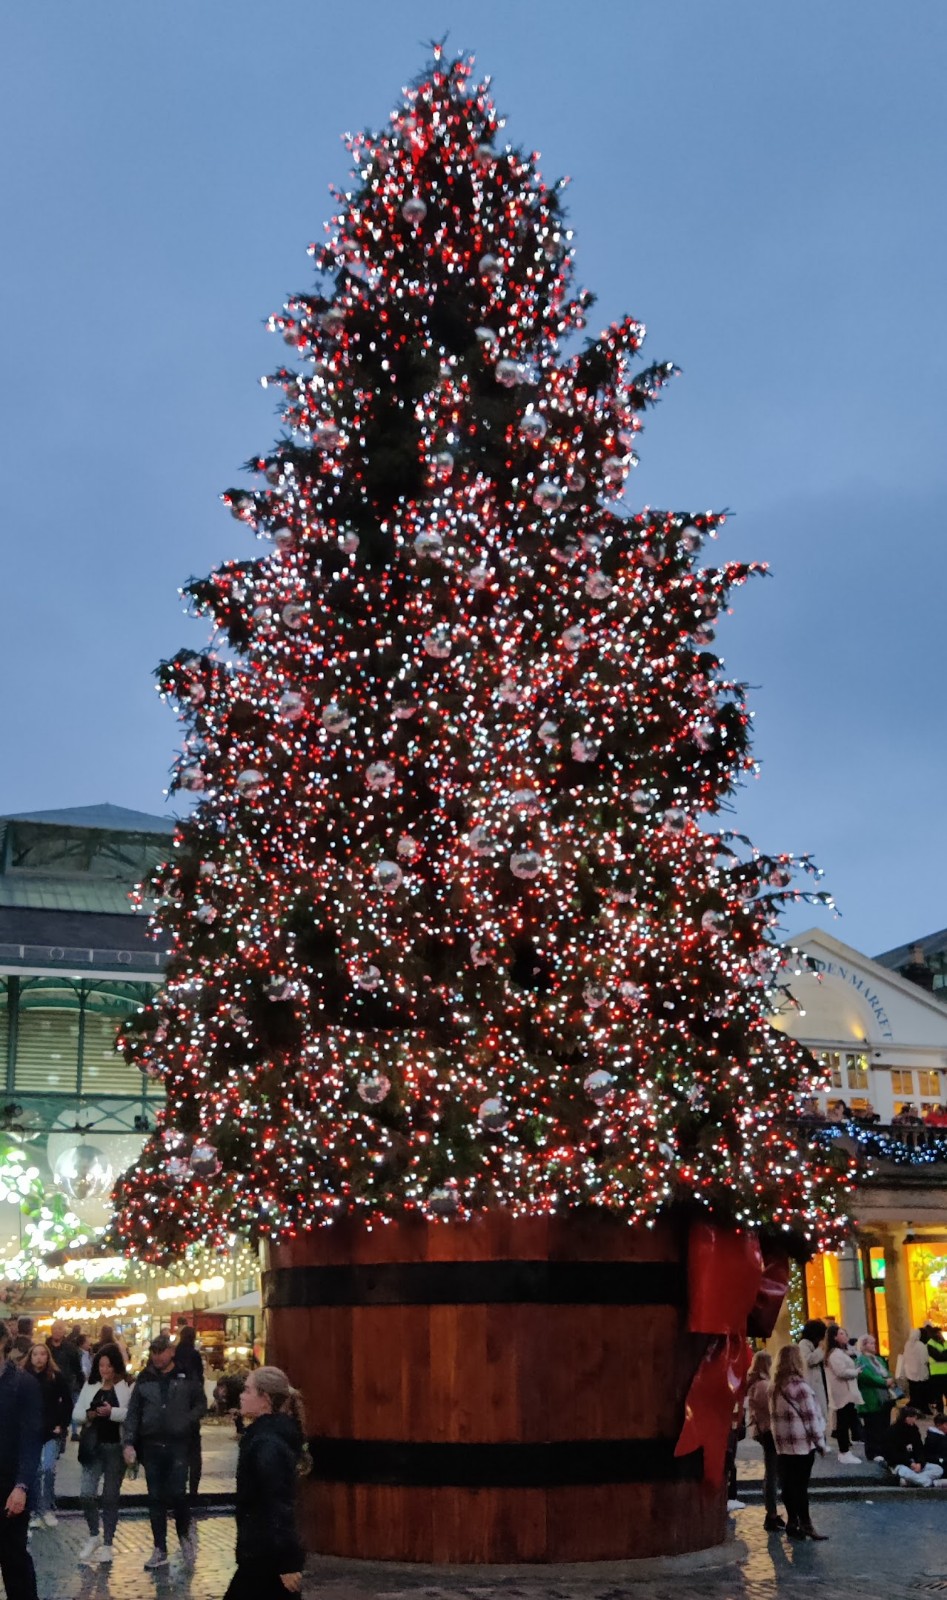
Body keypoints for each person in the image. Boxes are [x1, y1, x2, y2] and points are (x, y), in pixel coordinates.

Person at [123, 1332, 206, 1572]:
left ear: (171, 1352)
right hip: (152, 1444)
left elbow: (201, 1403)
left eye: (161, 1352)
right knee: (155, 1497)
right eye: (154, 1353)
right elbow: (134, 1412)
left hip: (179, 1443)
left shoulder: (186, 1375)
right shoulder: (145, 1378)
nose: (157, 1357)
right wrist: (129, 1442)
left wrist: (186, 1420)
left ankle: (183, 1536)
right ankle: (160, 1547)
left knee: (178, 1493)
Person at [225, 1365, 306, 1598]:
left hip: (266, 1557)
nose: (242, 1395)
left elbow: (278, 1502)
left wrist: (287, 1562)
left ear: (265, 1399)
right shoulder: (263, 1438)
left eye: (248, 1390)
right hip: (262, 1555)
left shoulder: (267, 1444)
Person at [72, 1342, 133, 1566]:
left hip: (115, 1446)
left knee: (110, 1496)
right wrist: (89, 1414)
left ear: (116, 1366)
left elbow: (131, 1414)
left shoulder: (126, 1386)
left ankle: (107, 1542)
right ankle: (93, 1534)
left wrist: (111, 1412)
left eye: (108, 1366)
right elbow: (77, 1413)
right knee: (86, 1493)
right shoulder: (91, 1386)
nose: (104, 1370)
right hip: (93, 1446)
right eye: (101, 1366)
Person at [0, 1333, 43, 1600]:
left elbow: (31, 1439)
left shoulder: (23, 1383)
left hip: (9, 1484)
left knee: (13, 1556)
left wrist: (22, 1485)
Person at [769, 1343, 827, 1539]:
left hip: (782, 1445)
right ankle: (806, 1523)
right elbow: (811, 1419)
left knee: (787, 1485)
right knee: (801, 1486)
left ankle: (792, 1521)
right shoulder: (801, 1388)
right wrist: (820, 1443)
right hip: (801, 1445)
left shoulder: (774, 1388)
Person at [20, 1346, 71, 1529]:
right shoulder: (23, 1377)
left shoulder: (55, 1377)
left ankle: (47, 1508)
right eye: (35, 1354)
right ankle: (34, 1510)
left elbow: (67, 1402)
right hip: (30, 1432)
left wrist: (62, 1425)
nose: (39, 1358)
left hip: (50, 1431)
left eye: (42, 1354)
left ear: (48, 1357)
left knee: (48, 1468)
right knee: (34, 1471)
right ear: (30, 1357)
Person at [745, 1350, 783, 1530]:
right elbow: (770, 1408)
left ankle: (772, 1511)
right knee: (772, 1472)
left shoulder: (757, 1383)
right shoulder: (762, 1385)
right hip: (768, 1431)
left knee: (772, 1472)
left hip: (764, 1430)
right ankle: (771, 1513)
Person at [174, 1323, 205, 1500]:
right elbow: (200, 1377)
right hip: (192, 1407)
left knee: (179, 1451)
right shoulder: (194, 1355)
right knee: (194, 1453)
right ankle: (193, 1490)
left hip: (177, 1407)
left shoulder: (175, 1353)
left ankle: (179, 1488)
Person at [855, 1333, 897, 1462]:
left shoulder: (878, 1359)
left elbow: (886, 1372)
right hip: (871, 1396)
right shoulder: (861, 1360)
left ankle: (883, 1449)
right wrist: (884, 1382)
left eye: (874, 1343)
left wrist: (890, 1379)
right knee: (872, 1426)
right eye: (871, 1343)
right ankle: (873, 1451)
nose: (874, 1345)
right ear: (863, 1345)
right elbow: (866, 1376)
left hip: (884, 1397)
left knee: (884, 1424)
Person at [824, 1323, 862, 1462]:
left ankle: (846, 1448)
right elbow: (841, 1371)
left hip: (846, 1390)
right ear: (834, 1337)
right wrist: (855, 1372)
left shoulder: (840, 1352)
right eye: (841, 1334)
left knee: (847, 1419)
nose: (845, 1336)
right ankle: (844, 1451)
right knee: (843, 1421)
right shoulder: (834, 1354)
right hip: (842, 1391)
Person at [879, 1406, 939, 1485]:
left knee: (938, 1469)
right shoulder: (892, 1432)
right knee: (905, 1472)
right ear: (906, 1418)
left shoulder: (914, 1430)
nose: (915, 1420)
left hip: (915, 1463)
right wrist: (909, 1463)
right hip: (900, 1464)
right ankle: (928, 1482)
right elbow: (892, 1454)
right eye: (913, 1417)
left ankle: (912, 1481)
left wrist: (920, 1463)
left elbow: (919, 1448)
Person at [797, 1318, 828, 1420]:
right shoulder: (804, 1344)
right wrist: (820, 1349)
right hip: (812, 1382)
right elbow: (809, 1360)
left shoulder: (816, 1344)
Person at [45, 1322, 82, 1408]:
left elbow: (77, 1368)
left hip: (67, 1385)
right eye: (54, 1328)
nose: (56, 1331)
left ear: (64, 1331)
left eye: (60, 1328)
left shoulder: (70, 1348)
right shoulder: (46, 1347)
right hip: (49, 1385)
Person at [899, 1328, 931, 1412]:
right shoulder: (921, 1345)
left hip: (910, 1373)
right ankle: (923, 1407)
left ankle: (914, 1406)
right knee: (922, 1392)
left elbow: (905, 1357)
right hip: (920, 1373)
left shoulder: (907, 1344)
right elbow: (925, 1359)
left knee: (913, 1391)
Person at [922, 1324, 947, 1414]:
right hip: (936, 1374)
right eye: (938, 1333)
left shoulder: (945, 1342)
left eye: (940, 1333)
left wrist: (943, 1354)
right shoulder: (930, 1343)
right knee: (938, 1396)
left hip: (946, 1373)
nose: (940, 1335)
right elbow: (938, 1357)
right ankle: (941, 1415)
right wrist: (944, 1354)